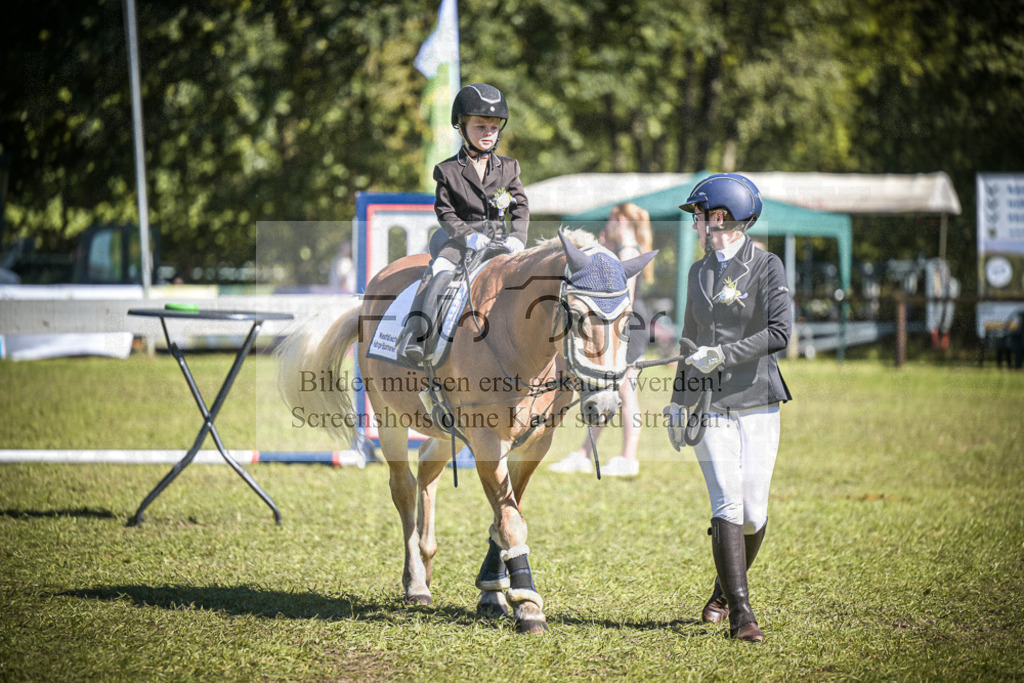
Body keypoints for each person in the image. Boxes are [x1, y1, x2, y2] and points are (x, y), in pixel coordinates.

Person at [664, 173, 792, 643]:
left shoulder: (767, 266)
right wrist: (677, 402)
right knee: (727, 502)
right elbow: (689, 339)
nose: (695, 224)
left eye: (699, 216)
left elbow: (780, 333)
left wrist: (724, 354)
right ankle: (742, 613)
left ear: (721, 217)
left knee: (753, 514)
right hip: (709, 402)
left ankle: (721, 591)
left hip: (758, 398)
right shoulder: (697, 272)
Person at [396, 83, 529, 365]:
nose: (488, 133)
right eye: (480, 126)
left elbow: (520, 206)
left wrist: (517, 237)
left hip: (500, 242)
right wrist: (469, 236)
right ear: (462, 127)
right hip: (459, 243)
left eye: (493, 127)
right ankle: (416, 335)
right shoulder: (447, 170)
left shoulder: (509, 167)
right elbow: (445, 212)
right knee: (439, 272)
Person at [549, 202, 654, 477]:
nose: (607, 225)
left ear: (621, 221)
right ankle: (586, 453)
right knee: (611, 391)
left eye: (611, 220)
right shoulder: (623, 250)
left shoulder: (628, 252)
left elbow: (622, 299)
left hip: (625, 327)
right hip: (623, 326)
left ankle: (628, 458)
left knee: (626, 394)